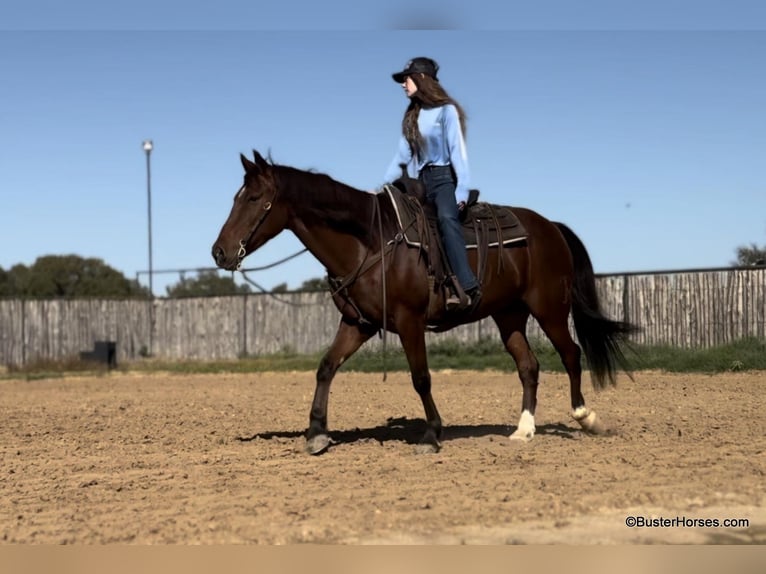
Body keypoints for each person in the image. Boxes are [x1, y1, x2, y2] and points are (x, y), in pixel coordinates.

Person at [384, 57, 481, 312]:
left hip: (443, 179)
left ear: (421, 78)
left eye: (406, 79)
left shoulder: (446, 111)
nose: (403, 85)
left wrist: (461, 189)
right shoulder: (412, 117)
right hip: (420, 182)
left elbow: (457, 151)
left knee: (447, 219)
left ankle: (466, 283)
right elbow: (402, 157)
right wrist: (383, 188)